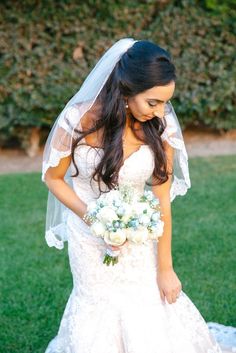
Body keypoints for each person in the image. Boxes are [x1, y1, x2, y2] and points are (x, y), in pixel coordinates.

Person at [42, 38, 229, 353]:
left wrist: (166, 268)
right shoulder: (79, 119)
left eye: (165, 103)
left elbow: (162, 199)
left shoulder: (159, 126)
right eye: (153, 102)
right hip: (89, 237)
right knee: (97, 305)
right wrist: (93, 217)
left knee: (143, 306)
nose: (160, 112)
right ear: (126, 90)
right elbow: (53, 177)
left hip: (140, 237)